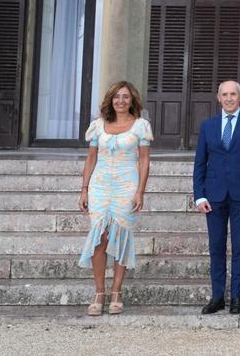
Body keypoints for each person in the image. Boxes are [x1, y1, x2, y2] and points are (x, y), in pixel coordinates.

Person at [77, 81, 152, 316]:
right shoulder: (98, 126)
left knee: (119, 236)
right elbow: (91, 159)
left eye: (126, 97)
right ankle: (99, 293)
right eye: (117, 97)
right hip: (100, 185)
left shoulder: (140, 126)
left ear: (132, 101)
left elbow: (144, 160)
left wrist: (140, 190)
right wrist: (84, 188)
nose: (121, 101)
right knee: (100, 237)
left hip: (126, 185)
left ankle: (117, 292)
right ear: (111, 99)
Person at [194, 80, 240, 315]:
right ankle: (217, 297)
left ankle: (236, 297)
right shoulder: (208, 125)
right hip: (213, 196)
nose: (229, 98)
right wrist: (199, 195)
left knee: (239, 248)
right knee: (216, 247)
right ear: (218, 98)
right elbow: (200, 163)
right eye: (224, 94)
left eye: (233, 94)